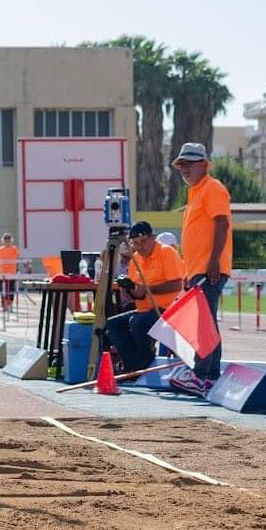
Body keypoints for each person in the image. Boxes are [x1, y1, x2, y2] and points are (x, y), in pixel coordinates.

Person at [169, 142, 232, 396]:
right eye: (182, 164)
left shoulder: (212, 188)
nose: (185, 168)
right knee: (206, 324)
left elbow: (222, 224)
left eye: (191, 163)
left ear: (205, 165)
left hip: (209, 269)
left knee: (202, 325)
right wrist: (187, 274)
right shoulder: (195, 193)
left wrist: (214, 261)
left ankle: (200, 375)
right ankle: (209, 377)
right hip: (198, 270)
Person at [105, 221, 184, 373]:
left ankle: (146, 363)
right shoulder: (135, 258)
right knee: (113, 324)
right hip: (144, 308)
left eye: (143, 242)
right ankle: (136, 364)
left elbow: (176, 285)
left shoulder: (166, 252)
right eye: (135, 243)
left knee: (138, 322)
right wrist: (129, 287)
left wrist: (147, 290)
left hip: (168, 308)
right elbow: (139, 295)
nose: (140, 247)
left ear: (153, 237)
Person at [0, 233, 20, 312]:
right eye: (6, 241)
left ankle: (10, 305)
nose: (7, 242)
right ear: (3, 241)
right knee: (3, 289)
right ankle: (4, 306)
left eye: (9, 241)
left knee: (11, 289)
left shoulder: (15, 249)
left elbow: (18, 257)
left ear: (11, 241)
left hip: (12, 272)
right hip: (3, 273)